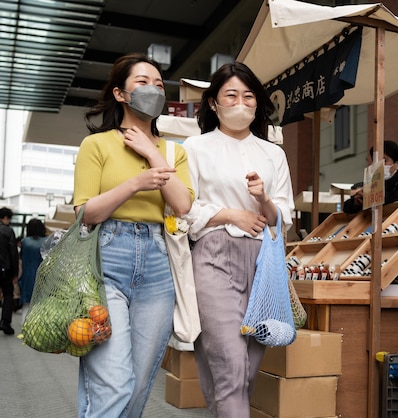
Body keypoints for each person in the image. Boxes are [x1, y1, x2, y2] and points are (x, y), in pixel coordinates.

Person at [73, 52, 194, 417]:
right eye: (143, 82)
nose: (153, 90)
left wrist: (153, 154)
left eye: (159, 84)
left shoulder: (174, 152)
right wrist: (136, 184)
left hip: (158, 263)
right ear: (120, 94)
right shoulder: (96, 146)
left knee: (141, 382)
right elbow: (85, 213)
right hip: (107, 257)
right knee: (114, 381)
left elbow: (183, 205)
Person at [183, 61, 294, 418]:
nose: (241, 103)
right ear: (213, 103)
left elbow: (284, 217)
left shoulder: (273, 153)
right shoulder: (194, 148)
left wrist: (263, 200)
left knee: (246, 371)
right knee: (230, 364)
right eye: (231, 95)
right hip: (214, 257)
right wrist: (231, 214)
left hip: (264, 264)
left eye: (249, 96)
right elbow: (182, 210)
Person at [342, 140, 398, 213]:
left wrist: (372, 196)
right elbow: (346, 207)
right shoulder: (368, 185)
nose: (379, 165)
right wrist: (356, 202)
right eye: (375, 161)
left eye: (384, 161)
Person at [18, 218, 46, 325]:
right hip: (43, 275)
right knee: (41, 303)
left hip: (28, 276)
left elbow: (21, 258)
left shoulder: (25, 242)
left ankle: (25, 327)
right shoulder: (47, 241)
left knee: (26, 303)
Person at [0, 207, 18, 335]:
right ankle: (5, 322)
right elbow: (13, 253)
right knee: (7, 295)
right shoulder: (8, 231)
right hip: (5, 270)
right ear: (5, 218)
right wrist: (15, 272)